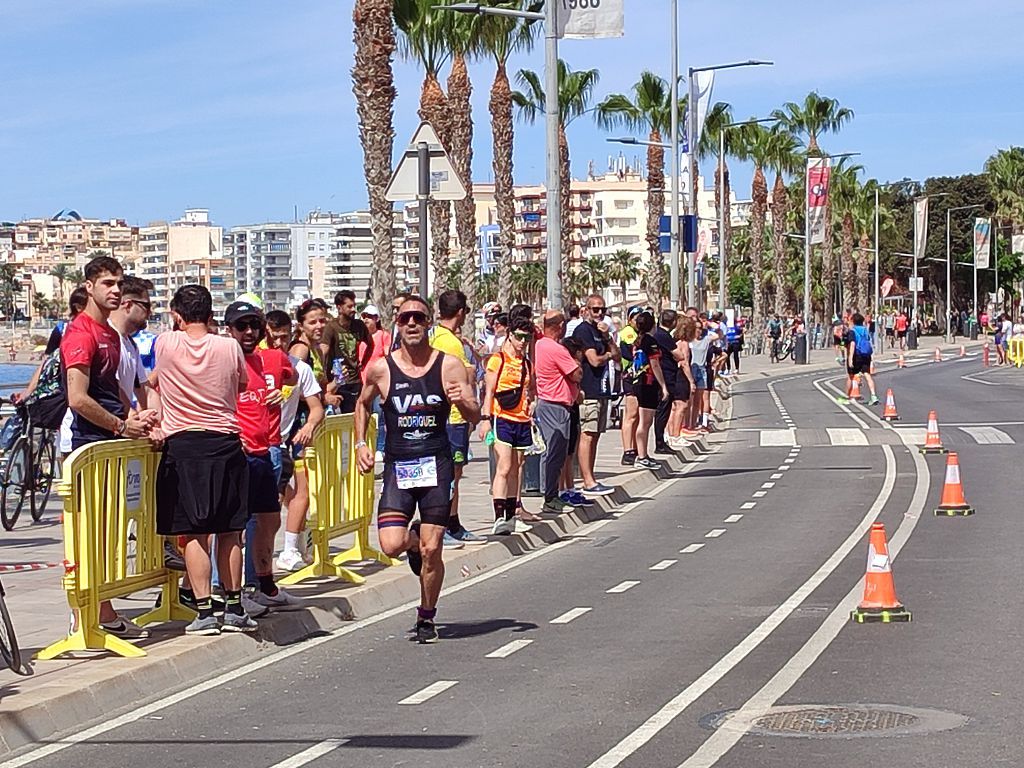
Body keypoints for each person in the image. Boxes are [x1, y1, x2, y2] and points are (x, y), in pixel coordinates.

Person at [354, 296, 480, 644]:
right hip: (400, 467)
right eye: (406, 317)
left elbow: (474, 415)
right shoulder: (381, 368)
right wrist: (361, 445)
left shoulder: (450, 366)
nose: (412, 323)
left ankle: (426, 616)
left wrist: (463, 402)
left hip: (436, 466)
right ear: (397, 322)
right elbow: (361, 405)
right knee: (391, 545)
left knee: (433, 548)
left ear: (429, 323)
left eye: (419, 318)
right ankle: (411, 544)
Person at [150, 285, 260, 635]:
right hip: (225, 442)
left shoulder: (166, 343)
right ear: (211, 315)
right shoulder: (229, 346)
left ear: (177, 316)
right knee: (230, 530)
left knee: (195, 534)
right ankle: (234, 605)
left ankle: (203, 612)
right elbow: (240, 385)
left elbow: (154, 377)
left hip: (183, 444)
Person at [61, 256, 157, 640]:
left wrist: (136, 415)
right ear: (89, 287)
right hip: (87, 444)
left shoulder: (111, 336)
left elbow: (115, 389)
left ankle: (102, 608)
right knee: (88, 532)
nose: (116, 290)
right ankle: (83, 613)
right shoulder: (81, 334)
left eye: (119, 283)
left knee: (107, 534)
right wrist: (122, 425)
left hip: (111, 442)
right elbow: (78, 398)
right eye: (107, 284)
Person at [223, 300, 303, 611]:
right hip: (237, 451)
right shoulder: (224, 360)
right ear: (229, 330)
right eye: (241, 326)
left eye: (253, 325)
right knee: (235, 527)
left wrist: (280, 391)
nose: (248, 331)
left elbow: (293, 377)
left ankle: (264, 585)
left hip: (267, 449)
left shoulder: (271, 357)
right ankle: (233, 591)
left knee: (268, 521)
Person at [264, 310, 325, 573]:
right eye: (274, 337)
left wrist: (309, 425)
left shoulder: (300, 369)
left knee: (274, 509)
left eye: (284, 337)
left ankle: (286, 551)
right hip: (252, 444)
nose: (279, 343)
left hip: (281, 444)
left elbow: (316, 406)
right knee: (261, 512)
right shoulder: (253, 363)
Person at [429, 290, 487, 545]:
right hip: (453, 417)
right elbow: (465, 378)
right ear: (461, 312)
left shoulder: (440, 337)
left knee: (455, 473)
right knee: (450, 474)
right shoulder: (450, 343)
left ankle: (453, 522)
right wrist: (471, 370)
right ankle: (442, 526)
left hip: (452, 417)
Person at [534, 310, 585, 515]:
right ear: (561, 326)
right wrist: (578, 365)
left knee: (557, 451)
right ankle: (550, 496)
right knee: (555, 451)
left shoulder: (539, 345)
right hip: (555, 405)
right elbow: (576, 374)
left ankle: (552, 494)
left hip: (553, 403)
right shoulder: (556, 349)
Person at [572, 294, 619, 496]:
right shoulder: (583, 331)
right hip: (589, 389)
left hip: (602, 388)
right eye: (595, 309)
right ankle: (587, 480)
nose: (599, 313)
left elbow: (617, 355)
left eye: (602, 309)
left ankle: (591, 477)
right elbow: (594, 360)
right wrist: (607, 354)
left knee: (596, 435)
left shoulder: (601, 332)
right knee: (587, 435)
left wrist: (608, 338)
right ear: (586, 310)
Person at [630, 311, 669, 470]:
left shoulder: (638, 341)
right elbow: (655, 364)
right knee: (645, 423)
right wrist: (663, 386)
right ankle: (642, 456)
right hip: (647, 383)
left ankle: (642, 454)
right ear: (653, 325)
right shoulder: (650, 342)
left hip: (637, 382)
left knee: (642, 421)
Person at [322, 290, 372, 413]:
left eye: (354, 305)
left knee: (356, 415)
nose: (353, 309)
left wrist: (363, 362)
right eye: (349, 306)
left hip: (355, 380)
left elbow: (371, 344)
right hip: (337, 381)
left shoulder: (359, 325)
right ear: (339, 308)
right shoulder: (331, 327)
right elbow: (323, 351)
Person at [358, 304, 392, 461]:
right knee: (364, 414)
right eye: (364, 317)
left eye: (369, 317)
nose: (366, 320)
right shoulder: (360, 338)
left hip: (378, 384)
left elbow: (387, 354)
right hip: (363, 382)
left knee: (379, 415)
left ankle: (380, 447)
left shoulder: (383, 335)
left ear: (376, 319)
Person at [652, 309, 683, 454]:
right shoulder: (663, 336)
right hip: (665, 375)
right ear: (673, 322)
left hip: (667, 374)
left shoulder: (660, 334)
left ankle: (661, 441)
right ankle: (659, 443)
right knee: (663, 410)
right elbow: (679, 355)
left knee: (664, 409)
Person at [668, 315, 700, 444]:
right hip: (682, 377)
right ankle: (676, 434)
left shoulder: (674, 342)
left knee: (674, 408)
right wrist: (691, 381)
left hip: (674, 376)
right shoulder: (684, 344)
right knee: (682, 406)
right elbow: (685, 363)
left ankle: (670, 434)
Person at [617, 307, 642, 466]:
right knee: (631, 415)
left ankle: (635, 448)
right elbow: (633, 352)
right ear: (630, 319)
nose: (639, 322)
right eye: (636, 318)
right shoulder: (627, 332)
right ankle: (627, 451)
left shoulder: (639, 333)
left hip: (640, 377)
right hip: (630, 376)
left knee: (638, 416)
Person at [838, 312, 879, 405]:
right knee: (867, 375)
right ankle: (873, 396)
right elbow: (868, 341)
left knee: (851, 376)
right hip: (866, 355)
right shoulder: (865, 330)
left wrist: (850, 359)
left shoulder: (852, 331)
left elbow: (852, 344)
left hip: (856, 355)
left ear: (852, 321)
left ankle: (846, 397)